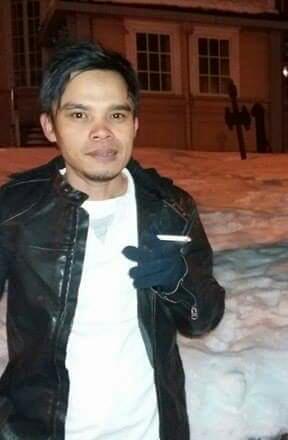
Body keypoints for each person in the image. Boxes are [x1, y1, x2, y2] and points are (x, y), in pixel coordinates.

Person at [0, 41, 225, 439]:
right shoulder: (16, 210)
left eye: (116, 114)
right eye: (79, 114)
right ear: (50, 126)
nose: (101, 131)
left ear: (134, 124)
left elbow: (202, 319)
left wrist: (179, 282)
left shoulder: (170, 208)